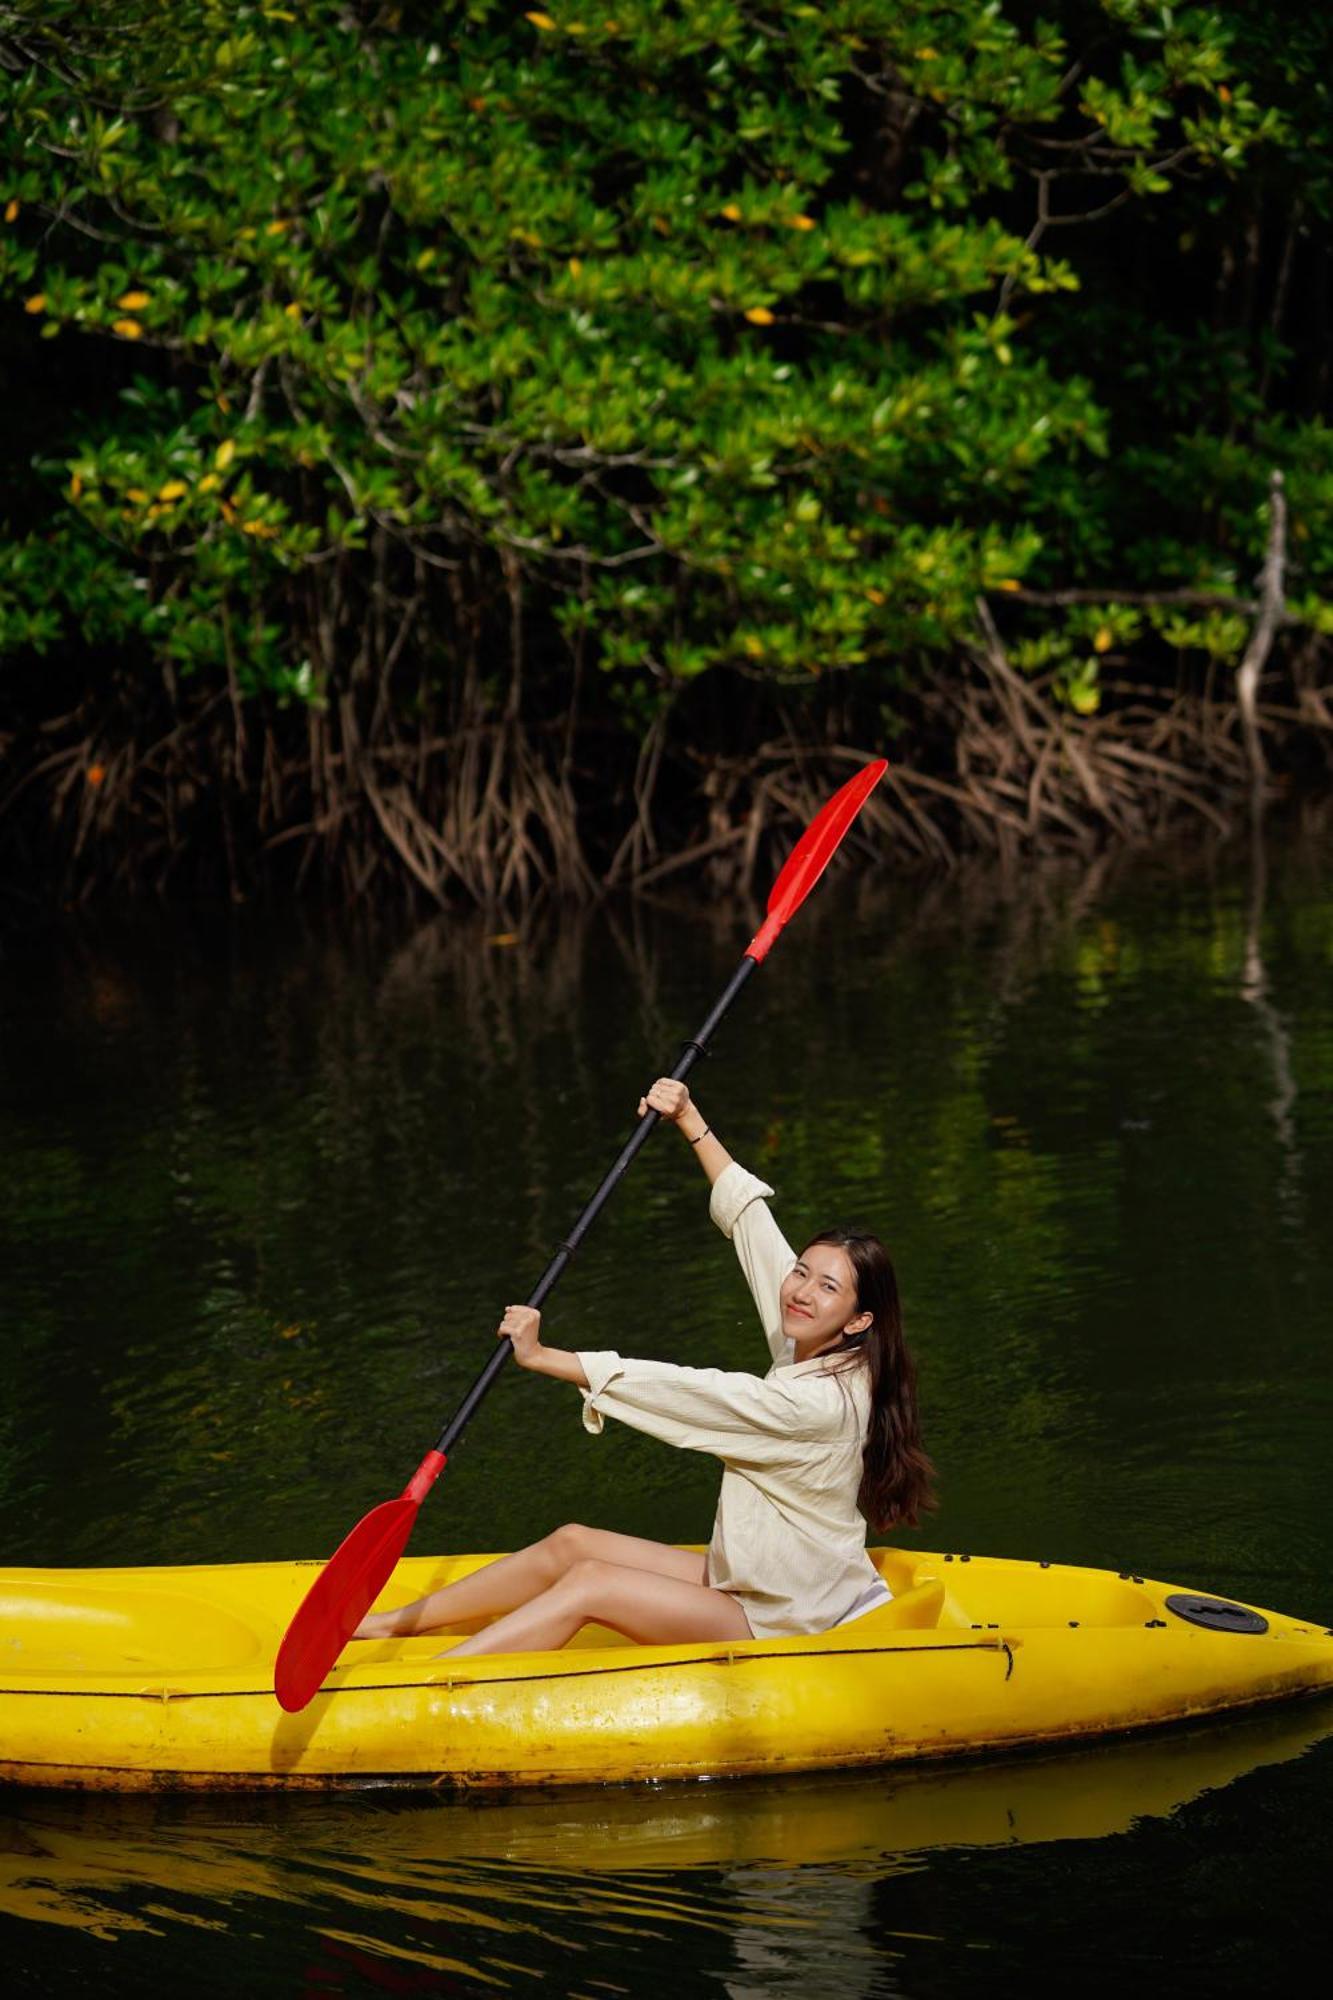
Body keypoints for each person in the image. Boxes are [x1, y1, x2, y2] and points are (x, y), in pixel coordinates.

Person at [352, 1080, 935, 1657]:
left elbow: (688, 1393)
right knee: (571, 1545)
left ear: (859, 1319)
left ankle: (430, 1683)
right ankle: (388, 1624)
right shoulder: (823, 1340)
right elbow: (754, 1228)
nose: (801, 1290)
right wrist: (688, 1118)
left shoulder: (814, 1404)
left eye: (826, 1286)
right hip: (763, 1577)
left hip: (783, 1614)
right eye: (801, 1271)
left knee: (591, 1584)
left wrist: (543, 1357)